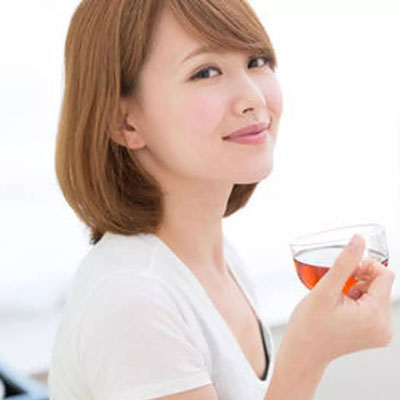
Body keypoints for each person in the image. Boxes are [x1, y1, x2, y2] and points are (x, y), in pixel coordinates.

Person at [48, 0, 396, 399]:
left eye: (256, 62)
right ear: (124, 122)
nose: (253, 97)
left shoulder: (215, 259)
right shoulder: (132, 300)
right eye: (205, 72)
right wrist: (308, 354)